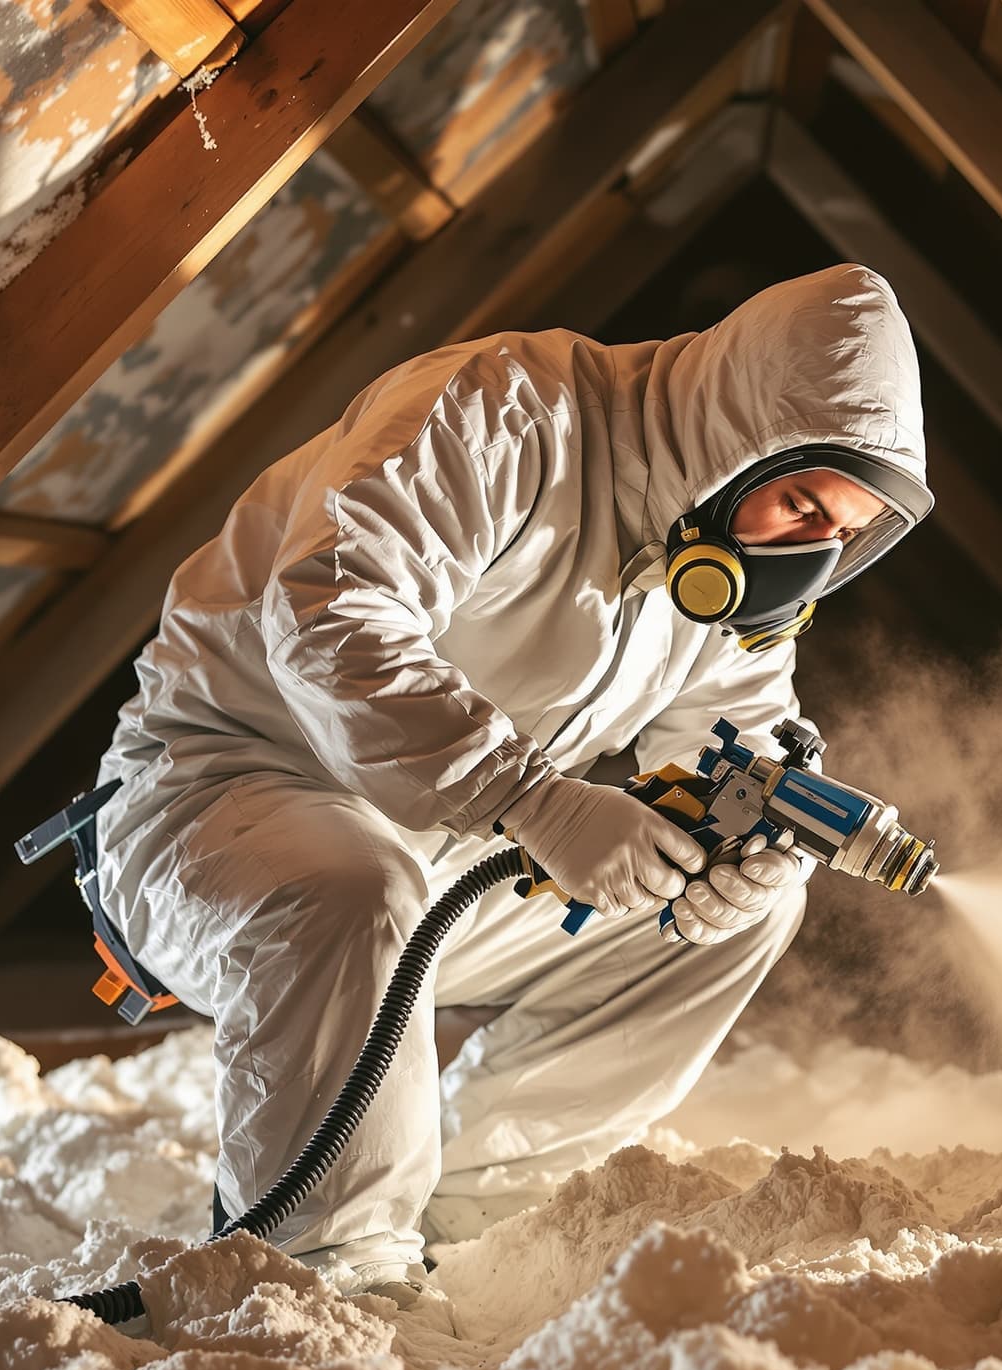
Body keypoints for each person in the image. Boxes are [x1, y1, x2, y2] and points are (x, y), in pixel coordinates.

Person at [91, 264, 934, 1301]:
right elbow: (329, 614)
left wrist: (731, 858)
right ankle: (324, 1271)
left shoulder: (710, 570)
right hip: (219, 794)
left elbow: (734, 743)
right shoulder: (503, 414)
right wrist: (531, 800)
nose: (809, 555)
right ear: (736, 436)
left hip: (439, 837)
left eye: (840, 535)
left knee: (744, 915)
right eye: (799, 505)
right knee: (357, 886)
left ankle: (485, 1220)